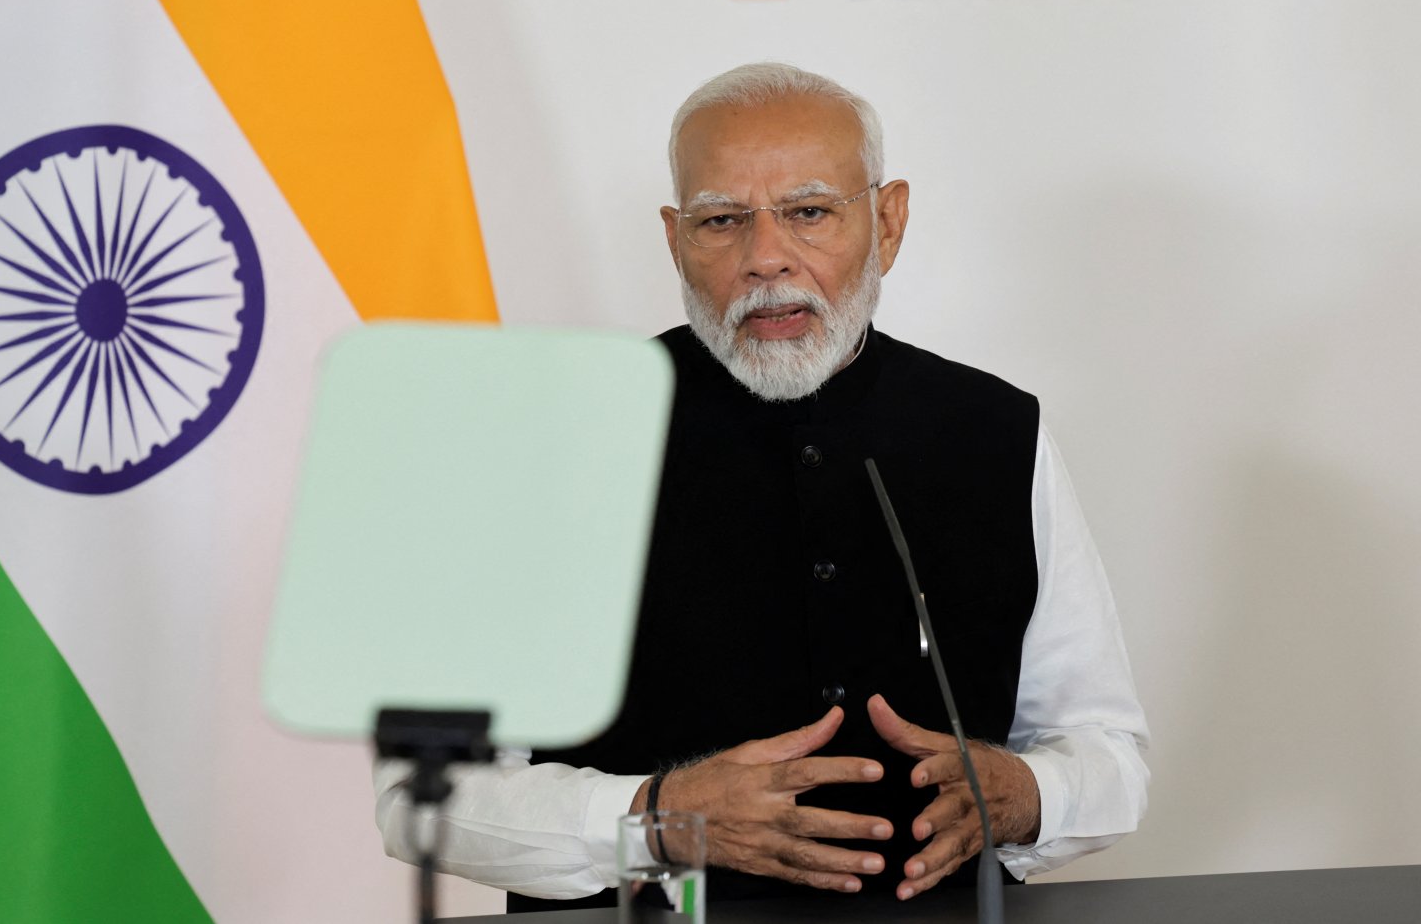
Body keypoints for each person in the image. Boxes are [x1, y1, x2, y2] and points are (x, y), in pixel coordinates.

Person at [375, 63, 1149, 907]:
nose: (765, 257)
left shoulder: (998, 429)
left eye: (809, 212)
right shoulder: (540, 441)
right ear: (675, 240)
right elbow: (421, 801)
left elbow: (1106, 751)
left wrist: (1027, 796)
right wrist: (651, 817)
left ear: (887, 223)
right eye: (722, 221)